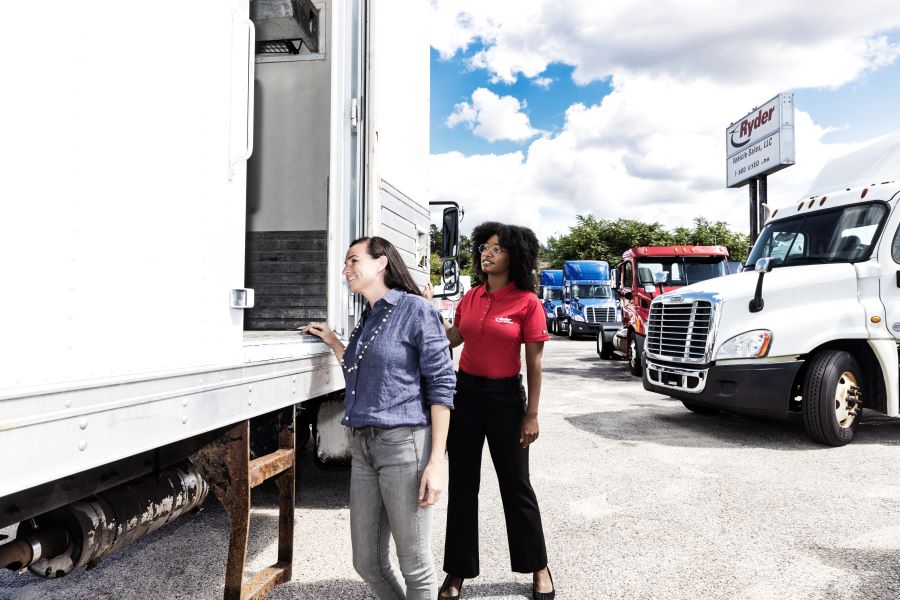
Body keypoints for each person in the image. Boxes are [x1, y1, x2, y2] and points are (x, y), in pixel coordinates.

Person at [301, 236, 455, 600]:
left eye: (353, 261)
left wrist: (436, 462)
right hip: (364, 446)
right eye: (345, 263)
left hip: (406, 446)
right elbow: (362, 370)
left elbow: (443, 385)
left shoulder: (416, 310)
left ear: (381, 262)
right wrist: (337, 344)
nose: (345, 270)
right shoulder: (369, 315)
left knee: (415, 565)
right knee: (367, 562)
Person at [438, 222, 555, 600]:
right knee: (462, 486)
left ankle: (538, 566)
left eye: (496, 248)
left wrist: (531, 414)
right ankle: (456, 572)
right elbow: (453, 338)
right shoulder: (471, 297)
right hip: (466, 397)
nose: (487, 253)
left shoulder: (527, 303)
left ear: (514, 255)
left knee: (516, 486)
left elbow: (534, 364)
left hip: (506, 400)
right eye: (484, 247)